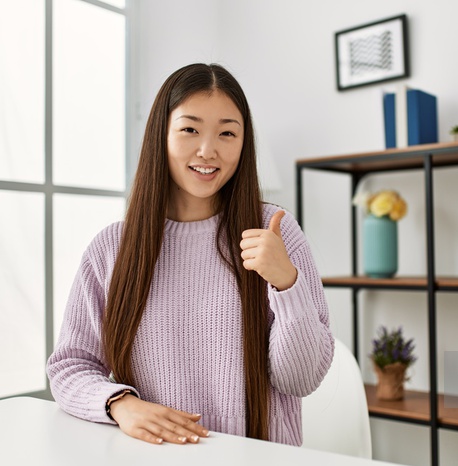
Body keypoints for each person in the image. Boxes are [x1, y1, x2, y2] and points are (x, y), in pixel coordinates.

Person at [46, 63, 334, 447]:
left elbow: (300, 380)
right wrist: (119, 403)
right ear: (160, 135)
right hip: (154, 455)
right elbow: (70, 366)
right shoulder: (112, 248)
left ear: (244, 142)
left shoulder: (273, 232)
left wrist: (286, 283)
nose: (208, 150)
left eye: (227, 133)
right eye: (189, 129)